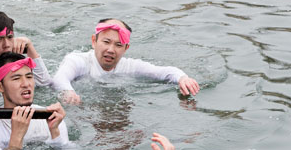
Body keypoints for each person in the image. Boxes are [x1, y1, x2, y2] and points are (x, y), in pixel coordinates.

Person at [53, 19, 200, 105]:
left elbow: (164, 72)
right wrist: (68, 92)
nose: (111, 49)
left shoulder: (130, 66)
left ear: (126, 48)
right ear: (94, 41)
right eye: (106, 42)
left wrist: (183, 78)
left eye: (118, 45)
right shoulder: (79, 60)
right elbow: (60, 78)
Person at [0, 52, 71, 150]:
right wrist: (16, 137)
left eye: (29, 77)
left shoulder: (51, 117)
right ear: (0, 87)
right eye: (16, 78)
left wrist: (55, 131)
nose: (26, 84)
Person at [0, 10, 52, 107]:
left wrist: (29, 47)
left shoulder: (15, 61)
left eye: (10, 37)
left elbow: (44, 85)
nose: (7, 45)